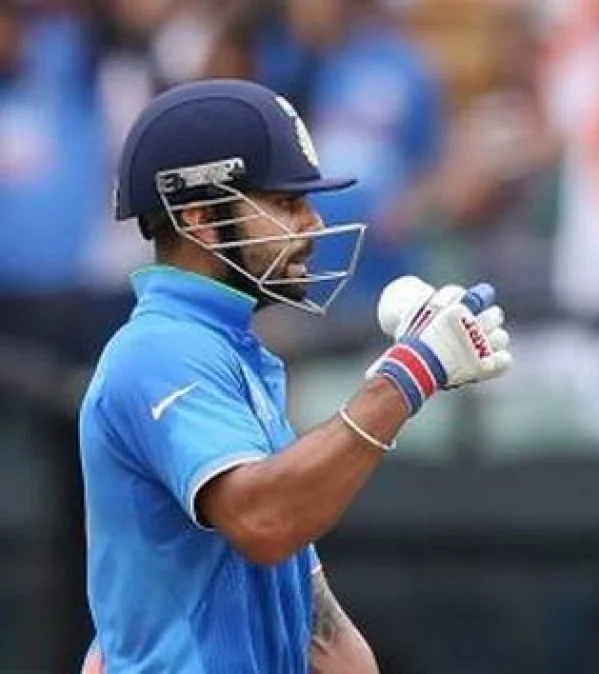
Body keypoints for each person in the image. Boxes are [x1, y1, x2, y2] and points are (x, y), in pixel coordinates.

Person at [77, 78, 512, 672]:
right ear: (200, 217)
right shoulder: (158, 350)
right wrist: (410, 373)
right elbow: (264, 520)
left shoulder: (232, 354)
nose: (311, 223)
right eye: (285, 204)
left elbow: (323, 636)